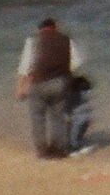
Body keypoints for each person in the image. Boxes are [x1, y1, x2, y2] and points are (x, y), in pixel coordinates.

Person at [13, 17, 83, 158]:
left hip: (38, 83)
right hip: (60, 83)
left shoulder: (33, 41)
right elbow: (77, 63)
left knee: (37, 117)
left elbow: (24, 67)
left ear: (40, 29)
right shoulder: (66, 40)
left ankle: (42, 150)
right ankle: (59, 149)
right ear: (55, 27)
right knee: (58, 117)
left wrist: (20, 88)